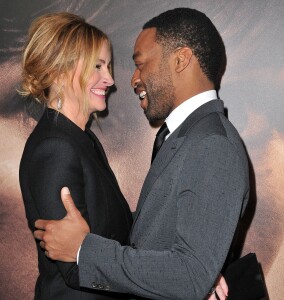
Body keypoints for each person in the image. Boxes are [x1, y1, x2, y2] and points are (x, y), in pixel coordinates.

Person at [34, 8, 249, 299]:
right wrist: (202, 267)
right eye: (98, 67)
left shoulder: (212, 143)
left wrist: (84, 250)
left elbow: (189, 275)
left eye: (140, 63)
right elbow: (153, 234)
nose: (131, 78)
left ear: (180, 60)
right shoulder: (183, 137)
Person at [19, 12, 133, 299]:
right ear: (59, 71)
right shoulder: (55, 148)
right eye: (98, 66)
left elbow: (111, 232)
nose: (110, 79)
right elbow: (75, 269)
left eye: (108, 66)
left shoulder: (80, 139)